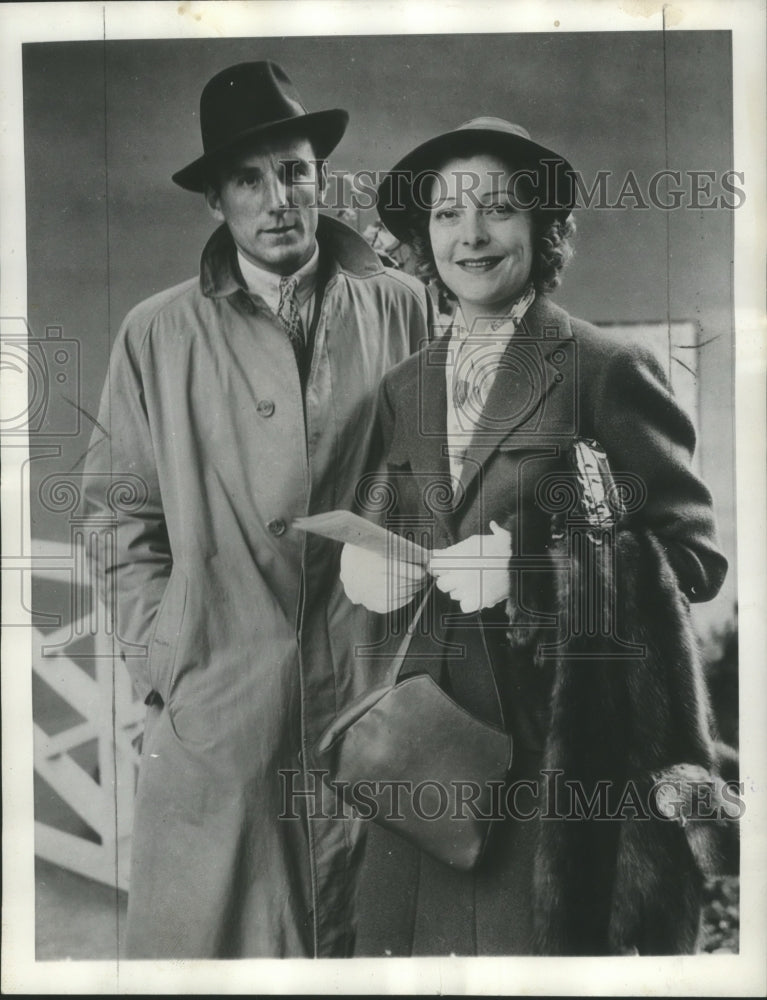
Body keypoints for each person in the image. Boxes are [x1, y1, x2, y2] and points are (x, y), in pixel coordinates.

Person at [338, 118, 732, 955]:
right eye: (445, 215)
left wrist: (531, 574)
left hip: (553, 776)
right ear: (421, 236)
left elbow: (689, 562)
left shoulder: (603, 367)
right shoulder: (402, 388)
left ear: (543, 226)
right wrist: (370, 557)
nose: (469, 235)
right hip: (423, 763)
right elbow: (396, 519)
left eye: (496, 209)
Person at [81, 61, 430, 958]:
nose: (278, 199)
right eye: (248, 178)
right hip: (222, 710)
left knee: (378, 945)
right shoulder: (155, 333)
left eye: (295, 171)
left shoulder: (401, 306)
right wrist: (168, 652)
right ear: (215, 201)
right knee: (221, 952)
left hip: (373, 689)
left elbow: (442, 484)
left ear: (320, 178)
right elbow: (119, 515)